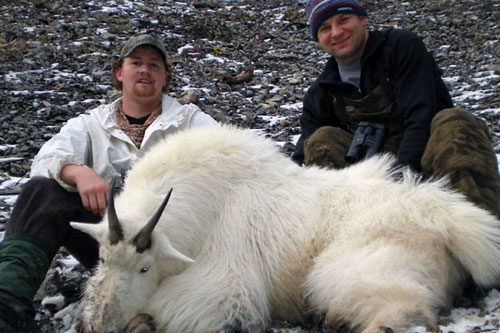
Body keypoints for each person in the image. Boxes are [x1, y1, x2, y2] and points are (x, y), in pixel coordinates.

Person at [0, 34, 216, 332]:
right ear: (119, 72)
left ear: (165, 77)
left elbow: (225, 152)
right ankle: (7, 304)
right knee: (41, 191)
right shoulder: (91, 124)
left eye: (154, 65)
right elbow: (48, 157)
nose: (144, 70)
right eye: (136, 62)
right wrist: (77, 172)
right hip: (109, 246)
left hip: (170, 247)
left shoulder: (190, 121)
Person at [292, 0, 499, 218]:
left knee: (455, 122)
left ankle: (482, 231)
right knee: (321, 140)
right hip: (369, 192)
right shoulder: (323, 90)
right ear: (318, 39)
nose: (336, 32)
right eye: (325, 28)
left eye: (344, 20)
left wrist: (397, 186)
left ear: (363, 19)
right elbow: (301, 155)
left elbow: (421, 115)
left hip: (428, 167)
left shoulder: (401, 48)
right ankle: (340, 235)